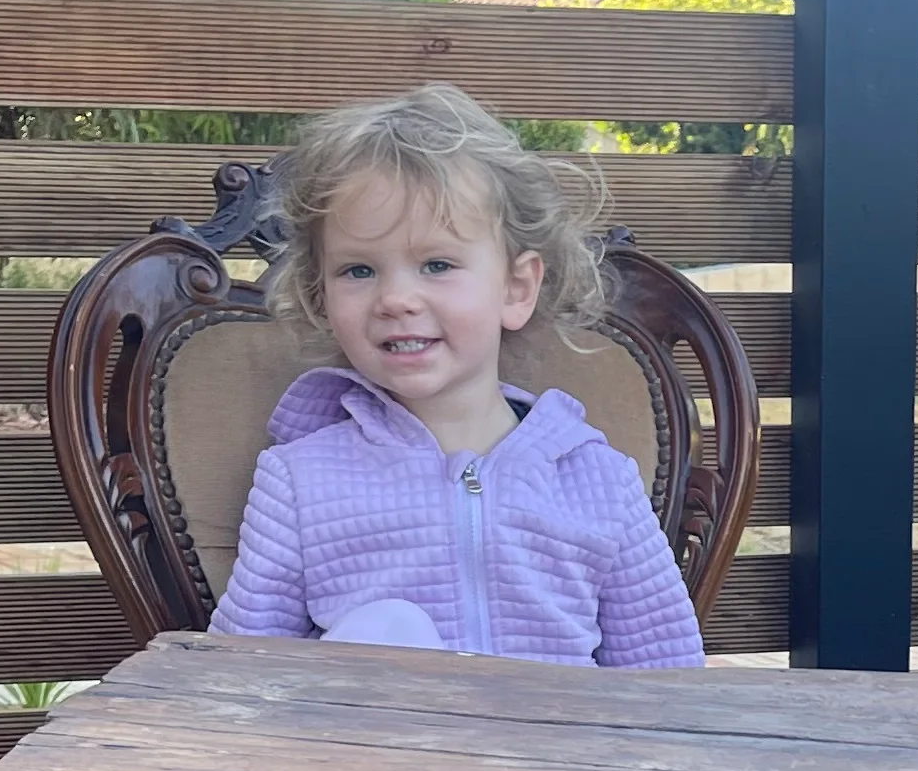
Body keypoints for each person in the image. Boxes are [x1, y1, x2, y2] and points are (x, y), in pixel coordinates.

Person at [211, 80, 706, 666]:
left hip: (554, 726)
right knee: (386, 629)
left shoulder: (599, 483)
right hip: (368, 725)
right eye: (358, 270)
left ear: (515, 288)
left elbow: (666, 675)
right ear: (321, 295)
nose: (396, 299)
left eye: (437, 264)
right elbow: (236, 671)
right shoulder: (300, 481)